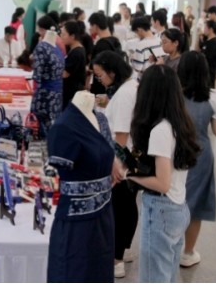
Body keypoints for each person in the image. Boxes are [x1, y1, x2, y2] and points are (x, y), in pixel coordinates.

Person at [127, 65, 200, 283]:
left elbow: (162, 183)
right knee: (166, 276)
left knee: (153, 278)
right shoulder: (180, 123)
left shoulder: (160, 130)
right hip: (178, 206)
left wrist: (129, 174)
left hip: (161, 209)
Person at [47, 91, 117, 282]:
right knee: (73, 274)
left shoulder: (101, 120)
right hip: (76, 223)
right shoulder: (63, 128)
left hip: (105, 217)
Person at [92, 50, 138, 278]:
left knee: (120, 208)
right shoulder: (128, 87)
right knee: (126, 206)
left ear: (112, 72)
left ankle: (117, 259)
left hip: (123, 158)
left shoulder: (124, 95)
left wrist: (116, 165)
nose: (99, 80)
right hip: (127, 156)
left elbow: (121, 135)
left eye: (100, 75)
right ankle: (123, 250)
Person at [177, 52, 216, 268]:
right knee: (194, 205)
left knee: (173, 198)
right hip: (200, 155)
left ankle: (171, 245)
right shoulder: (212, 96)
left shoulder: (174, 92)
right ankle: (188, 252)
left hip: (174, 151)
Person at [31, 27, 64, 133]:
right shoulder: (41, 48)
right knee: (44, 128)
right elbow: (37, 75)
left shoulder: (56, 47)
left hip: (56, 95)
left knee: (54, 127)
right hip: (45, 95)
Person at [89, 12, 124, 95]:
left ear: (95, 26)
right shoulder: (115, 40)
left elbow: (94, 68)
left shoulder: (101, 45)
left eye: (91, 25)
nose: (89, 28)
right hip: (114, 84)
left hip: (101, 86)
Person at [60, 21, 87, 109]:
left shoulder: (77, 53)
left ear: (72, 36)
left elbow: (65, 74)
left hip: (72, 93)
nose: (61, 36)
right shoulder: (74, 49)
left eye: (64, 34)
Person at [200, 20, 216, 88]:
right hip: (204, 70)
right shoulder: (207, 40)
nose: (204, 30)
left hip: (210, 71)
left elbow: (210, 57)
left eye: (205, 28)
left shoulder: (214, 42)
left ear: (211, 29)